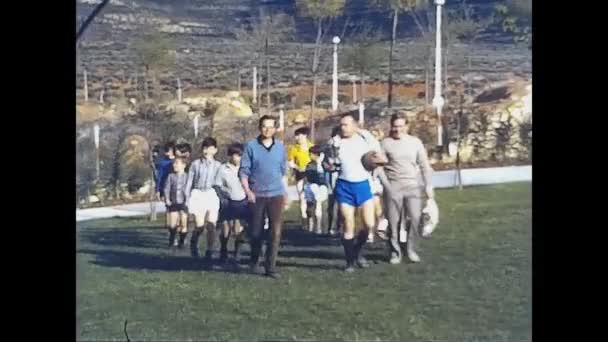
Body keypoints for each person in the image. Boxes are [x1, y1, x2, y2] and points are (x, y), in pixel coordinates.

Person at [377, 112, 434, 264]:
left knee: (415, 218)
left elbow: (424, 165)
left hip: (412, 186)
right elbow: (378, 168)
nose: (397, 130)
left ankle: (411, 249)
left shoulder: (415, 142)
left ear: (407, 126)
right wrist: (387, 186)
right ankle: (395, 252)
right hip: (393, 186)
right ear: (391, 126)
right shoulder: (385, 143)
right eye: (395, 127)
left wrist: (428, 185)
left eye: (401, 126)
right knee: (393, 222)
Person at [239, 115, 289, 278]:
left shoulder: (280, 147)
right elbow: (244, 172)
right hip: (257, 194)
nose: (267, 130)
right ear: (260, 128)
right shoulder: (251, 146)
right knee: (256, 231)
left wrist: (285, 192)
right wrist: (248, 192)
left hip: (276, 194)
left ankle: (271, 266)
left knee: (275, 231)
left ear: (275, 129)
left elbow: (283, 172)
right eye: (264, 126)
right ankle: (254, 261)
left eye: (270, 127)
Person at [332, 113, 383, 272]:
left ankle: (357, 251)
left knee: (369, 224)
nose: (343, 127)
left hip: (362, 185)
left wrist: (376, 163)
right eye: (341, 125)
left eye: (346, 124)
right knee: (348, 223)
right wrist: (331, 162)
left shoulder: (365, 139)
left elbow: (378, 155)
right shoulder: (336, 142)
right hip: (344, 185)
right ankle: (350, 262)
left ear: (354, 125)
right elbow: (331, 161)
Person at [185, 137, 223, 266]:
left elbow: (220, 183)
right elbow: (189, 181)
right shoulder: (196, 164)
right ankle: (194, 244)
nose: (207, 151)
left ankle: (209, 250)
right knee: (199, 226)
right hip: (198, 193)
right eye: (205, 148)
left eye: (211, 148)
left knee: (211, 225)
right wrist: (187, 197)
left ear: (215, 150)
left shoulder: (218, 166)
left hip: (211, 194)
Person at [215, 143, 249, 264]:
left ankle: (237, 253)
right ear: (230, 156)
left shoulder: (246, 168)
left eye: (241, 155)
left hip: (242, 201)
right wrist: (222, 197)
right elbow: (217, 185)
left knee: (238, 228)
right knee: (226, 228)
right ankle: (223, 249)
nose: (238, 158)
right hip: (228, 201)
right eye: (236, 155)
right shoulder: (223, 169)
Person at [287, 127, 314, 229]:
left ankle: (311, 220)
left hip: (311, 176)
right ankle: (304, 219)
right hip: (300, 176)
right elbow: (290, 162)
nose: (297, 137)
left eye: (299, 135)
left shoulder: (311, 146)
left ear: (304, 135)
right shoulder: (294, 149)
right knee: (302, 197)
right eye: (296, 135)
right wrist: (297, 167)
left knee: (311, 199)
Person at [163, 157, 189, 249]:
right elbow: (167, 188)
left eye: (177, 163)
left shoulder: (187, 177)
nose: (174, 165)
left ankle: (182, 241)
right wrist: (167, 199)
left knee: (183, 222)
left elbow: (189, 189)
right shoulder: (171, 176)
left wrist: (188, 201)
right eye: (174, 163)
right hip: (173, 202)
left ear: (183, 165)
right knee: (172, 224)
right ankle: (172, 238)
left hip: (184, 202)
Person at [303, 145, 329, 234]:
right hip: (311, 186)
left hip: (322, 187)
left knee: (320, 206)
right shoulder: (310, 165)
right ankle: (311, 225)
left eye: (311, 154)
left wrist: (319, 164)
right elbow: (309, 176)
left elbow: (323, 175)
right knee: (310, 206)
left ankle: (320, 227)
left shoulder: (324, 164)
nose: (310, 156)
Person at [322, 126, 343, 236]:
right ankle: (331, 226)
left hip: (343, 176)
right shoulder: (329, 145)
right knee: (332, 202)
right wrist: (329, 167)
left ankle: (339, 226)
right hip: (332, 176)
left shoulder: (346, 145)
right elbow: (324, 162)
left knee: (341, 203)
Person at [155, 141, 175, 236]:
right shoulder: (162, 163)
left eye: (170, 150)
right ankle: (170, 228)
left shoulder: (178, 162)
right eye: (167, 151)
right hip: (166, 188)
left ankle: (176, 228)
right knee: (169, 208)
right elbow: (160, 177)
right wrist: (158, 190)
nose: (168, 153)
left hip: (177, 188)